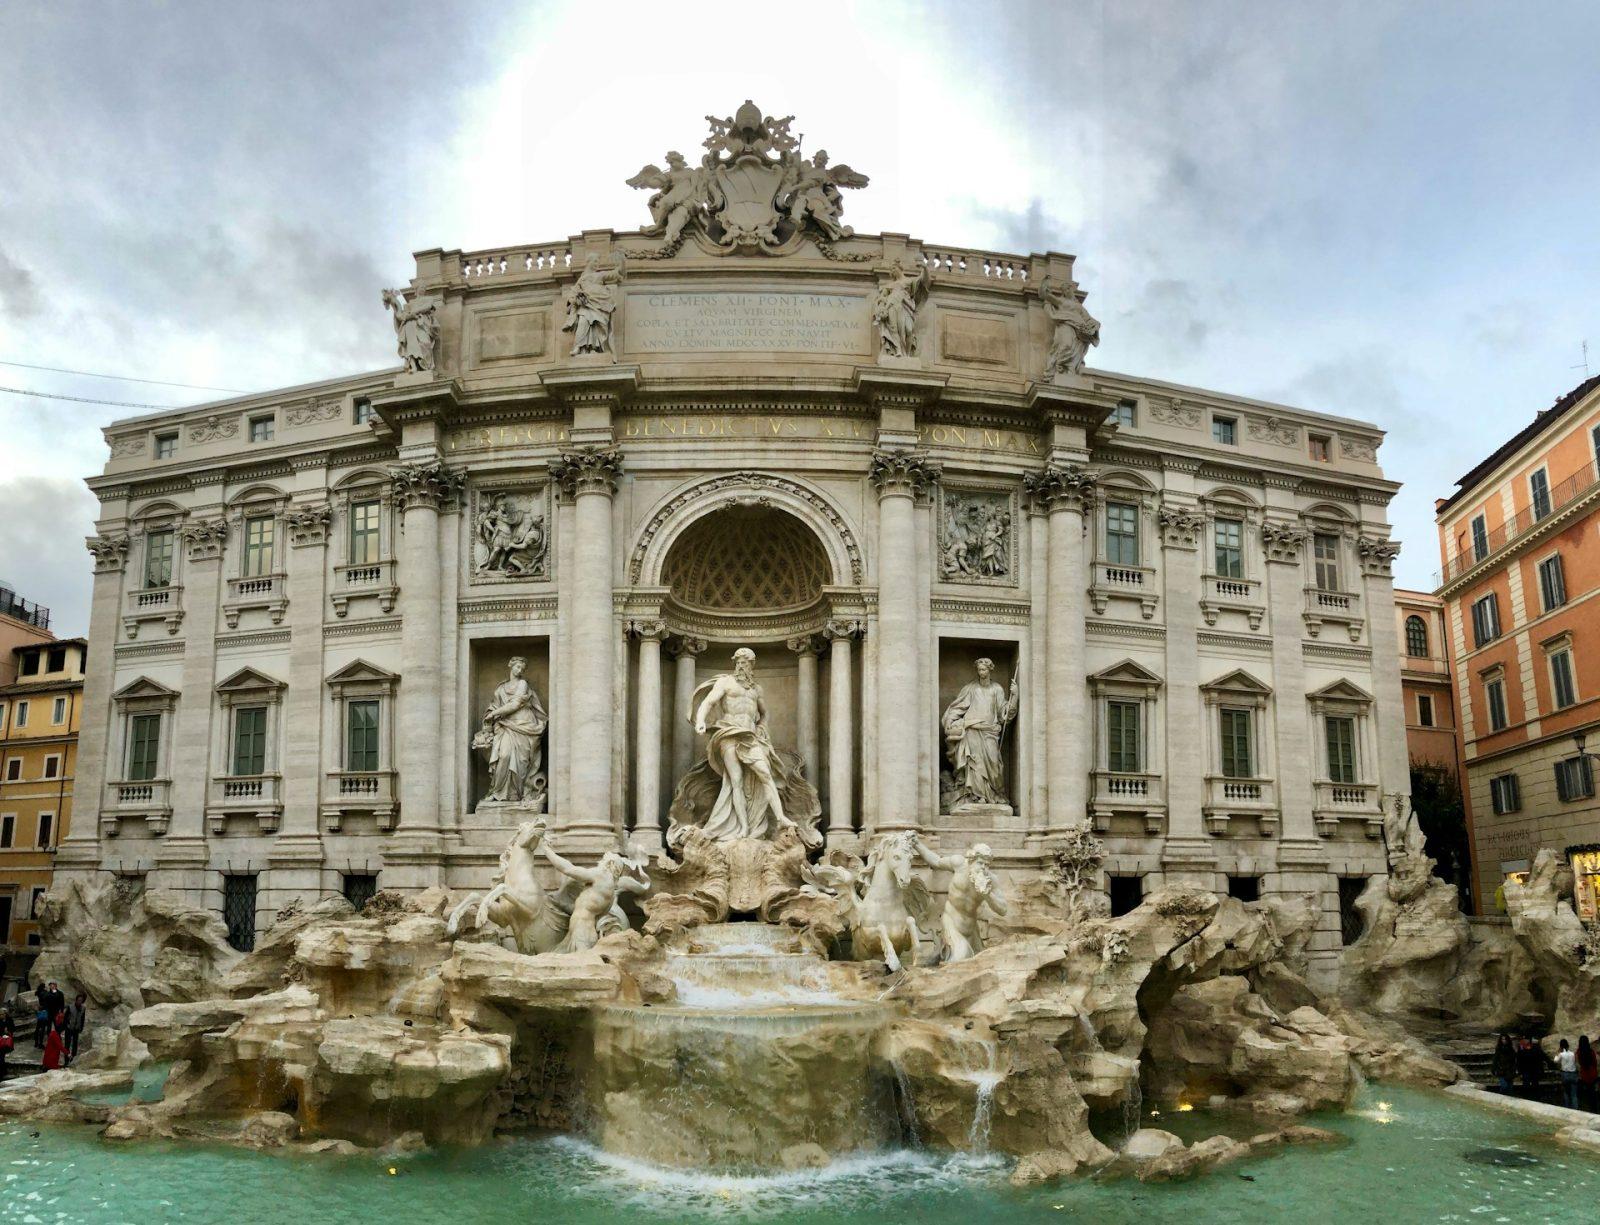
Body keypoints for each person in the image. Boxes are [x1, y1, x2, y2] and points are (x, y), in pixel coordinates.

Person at [1558, 1038, 1580, 1110]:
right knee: (1574, 1094)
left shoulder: (1561, 1054)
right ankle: (1575, 1108)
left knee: (1566, 1093)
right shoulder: (1572, 1054)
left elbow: (1555, 1060)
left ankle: (1567, 1109)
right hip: (1573, 1074)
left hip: (1565, 1074)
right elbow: (1575, 1062)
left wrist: (1558, 1052)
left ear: (1561, 1046)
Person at [65, 993, 87, 1062]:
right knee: (67, 1044)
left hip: (76, 1028)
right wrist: (66, 1026)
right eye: (79, 1000)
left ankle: (73, 1058)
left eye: (81, 1000)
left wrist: (81, 1027)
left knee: (75, 1044)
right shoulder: (70, 1007)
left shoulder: (83, 1008)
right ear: (76, 1000)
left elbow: (82, 1018)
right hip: (69, 1028)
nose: (80, 1002)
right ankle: (66, 1059)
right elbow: (65, 1017)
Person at [1578, 1036, 1598, 1112]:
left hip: (1584, 1074)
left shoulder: (1579, 1052)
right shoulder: (1591, 1051)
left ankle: (1588, 1108)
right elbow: (1595, 1062)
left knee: (1587, 1093)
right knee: (1593, 1092)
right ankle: (1594, 1108)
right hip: (1592, 1073)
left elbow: (1579, 1062)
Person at [0, 1005, 13, 1083]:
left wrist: (8, 1032)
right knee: (1, 1057)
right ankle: (3, 1073)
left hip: (6, 1041)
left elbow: (13, 1028)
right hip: (1, 1041)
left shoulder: (9, 1020)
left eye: (1, 1014)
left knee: (2, 1057)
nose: (1, 1015)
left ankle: (3, 1072)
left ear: (5, 1014)